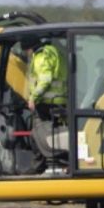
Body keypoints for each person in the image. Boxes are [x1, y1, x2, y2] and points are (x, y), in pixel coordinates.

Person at [25, 38, 69, 170]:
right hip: (59, 101)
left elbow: (45, 79)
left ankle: (39, 165)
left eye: (26, 50)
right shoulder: (56, 52)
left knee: (36, 133)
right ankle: (57, 162)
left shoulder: (41, 56)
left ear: (29, 48)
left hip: (47, 102)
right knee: (54, 133)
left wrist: (33, 98)